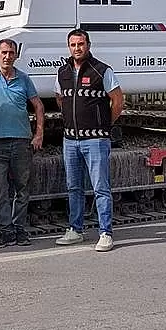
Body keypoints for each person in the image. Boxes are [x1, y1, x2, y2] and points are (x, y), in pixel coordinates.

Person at [54, 28, 124, 252]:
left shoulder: (102, 70)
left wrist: (103, 125)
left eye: (81, 44)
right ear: (69, 47)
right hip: (70, 140)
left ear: (88, 45)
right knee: (73, 187)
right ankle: (75, 230)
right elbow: (60, 99)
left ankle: (105, 233)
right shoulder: (62, 72)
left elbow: (118, 100)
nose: (77, 48)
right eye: (73, 45)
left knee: (100, 187)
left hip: (95, 141)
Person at [0, 38, 44, 248]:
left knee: (22, 188)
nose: (7, 56)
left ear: (16, 55)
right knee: (0, 189)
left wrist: (38, 134)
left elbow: (39, 106)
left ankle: (19, 229)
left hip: (22, 141)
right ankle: (6, 231)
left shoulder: (23, 78)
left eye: (11, 53)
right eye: (4, 52)